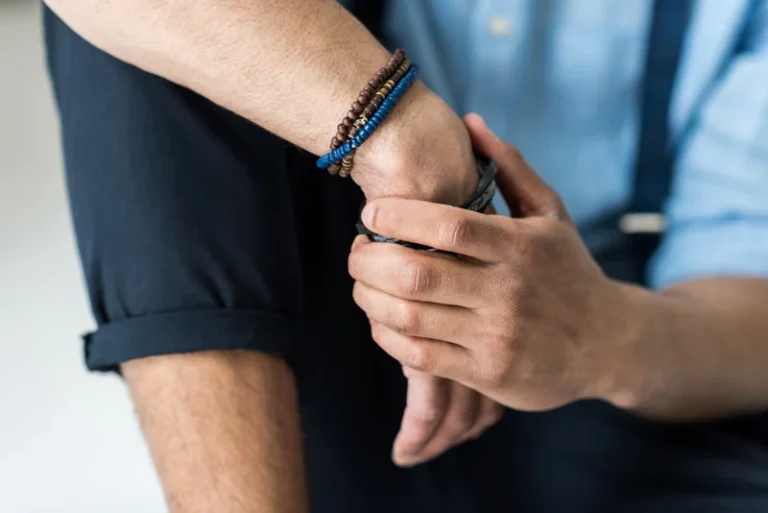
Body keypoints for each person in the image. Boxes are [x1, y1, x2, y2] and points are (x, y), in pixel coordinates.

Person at [42, 0, 768, 512]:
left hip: (625, 374)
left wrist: (597, 334)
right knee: (150, 36)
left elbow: (749, 295)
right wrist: (397, 131)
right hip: (308, 368)